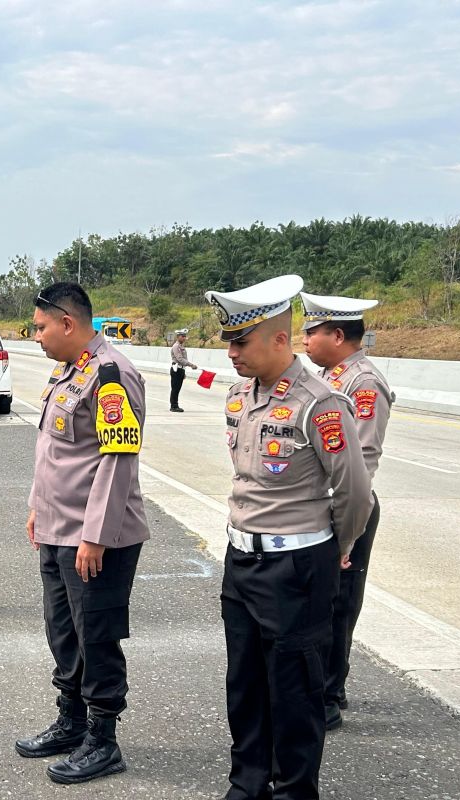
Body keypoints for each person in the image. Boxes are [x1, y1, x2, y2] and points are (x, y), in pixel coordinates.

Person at [205, 274, 371, 800]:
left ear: (279, 339)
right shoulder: (239, 396)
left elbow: (353, 494)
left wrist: (338, 549)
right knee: (245, 686)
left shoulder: (320, 404)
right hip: (242, 559)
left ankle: (294, 791)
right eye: (229, 341)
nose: (231, 352)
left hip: (297, 567)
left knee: (295, 692)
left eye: (241, 341)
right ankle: (247, 785)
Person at [16, 281, 149, 786]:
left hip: (96, 538)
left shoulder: (113, 375)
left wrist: (94, 535)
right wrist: (36, 507)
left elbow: (117, 461)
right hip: (56, 528)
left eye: (42, 327)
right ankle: (70, 721)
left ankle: (102, 738)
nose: (37, 336)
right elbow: (52, 450)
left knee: (97, 637)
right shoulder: (69, 372)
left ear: (68, 324)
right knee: (63, 630)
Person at [300, 292, 395, 731]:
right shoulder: (328, 377)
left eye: (311, 331)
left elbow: (362, 462)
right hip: (323, 506)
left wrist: (347, 533)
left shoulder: (363, 383)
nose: (304, 339)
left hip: (347, 509)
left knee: (338, 603)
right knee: (320, 601)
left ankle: (329, 696)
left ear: (338, 335)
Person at [169, 328, 199, 412]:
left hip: (180, 370)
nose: (184, 338)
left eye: (185, 336)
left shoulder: (181, 346)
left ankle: (175, 405)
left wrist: (183, 371)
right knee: (175, 389)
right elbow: (180, 359)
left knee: (177, 389)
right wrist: (191, 365)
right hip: (176, 370)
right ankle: (174, 406)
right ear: (178, 337)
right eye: (182, 336)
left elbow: (182, 361)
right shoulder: (176, 346)